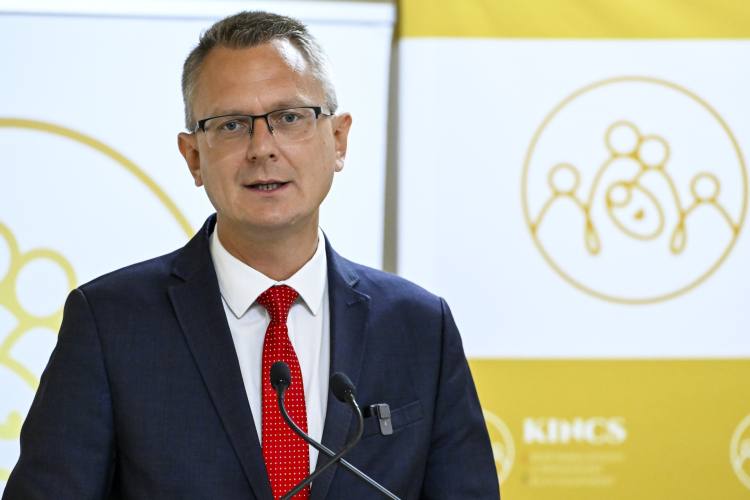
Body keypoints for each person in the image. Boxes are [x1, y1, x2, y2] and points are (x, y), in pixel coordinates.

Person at [3, 11, 500, 500]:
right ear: (193, 158)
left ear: (338, 140)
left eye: (289, 117)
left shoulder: (420, 328)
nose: (263, 147)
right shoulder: (110, 323)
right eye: (231, 125)